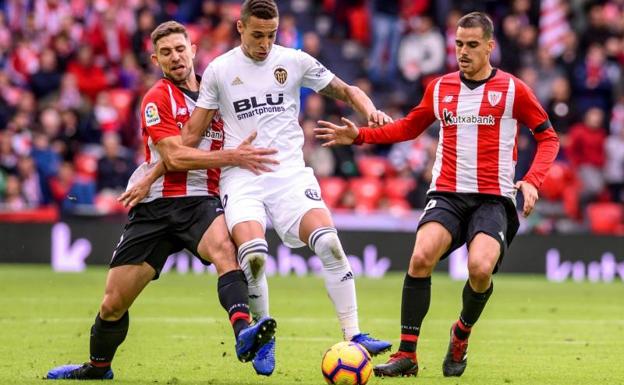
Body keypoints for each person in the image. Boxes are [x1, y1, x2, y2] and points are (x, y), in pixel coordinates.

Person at [122, 0, 393, 376]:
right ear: (240, 28)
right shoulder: (219, 71)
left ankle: (354, 334)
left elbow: (347, 90)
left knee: (329, 242)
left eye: (271, 35)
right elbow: (190, 136)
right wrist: (151, 174)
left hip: (289, 174)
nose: (265, 44)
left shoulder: (294, 61)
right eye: (257, 35)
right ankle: (264, 338)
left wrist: (371, 112)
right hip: (241, 175)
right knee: (252, 256)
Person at [316, 12, 560, 378]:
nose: (463, 52)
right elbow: (410, 127)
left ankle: (461, 333)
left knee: (479, 269)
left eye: (472, 45)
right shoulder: (440, 87)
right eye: (459, 44)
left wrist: (532, 180)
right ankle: (408, 355)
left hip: (493, 197)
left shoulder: (513, 90)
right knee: (420, 258)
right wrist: (362, 136)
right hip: (447, 192)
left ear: (490, 47)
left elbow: (548, 137)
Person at [46, 21, 279, 380]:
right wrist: (233, 157)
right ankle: (98, 367)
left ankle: (244, 334)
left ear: (193, 50)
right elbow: (174, 157)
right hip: (155, 207)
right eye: (166, 52)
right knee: (112, 303)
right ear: (156, 59)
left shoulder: (216, 94)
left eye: (180, 49)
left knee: (225, 252)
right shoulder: (157, 97)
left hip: (200, 200)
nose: (175, 57)